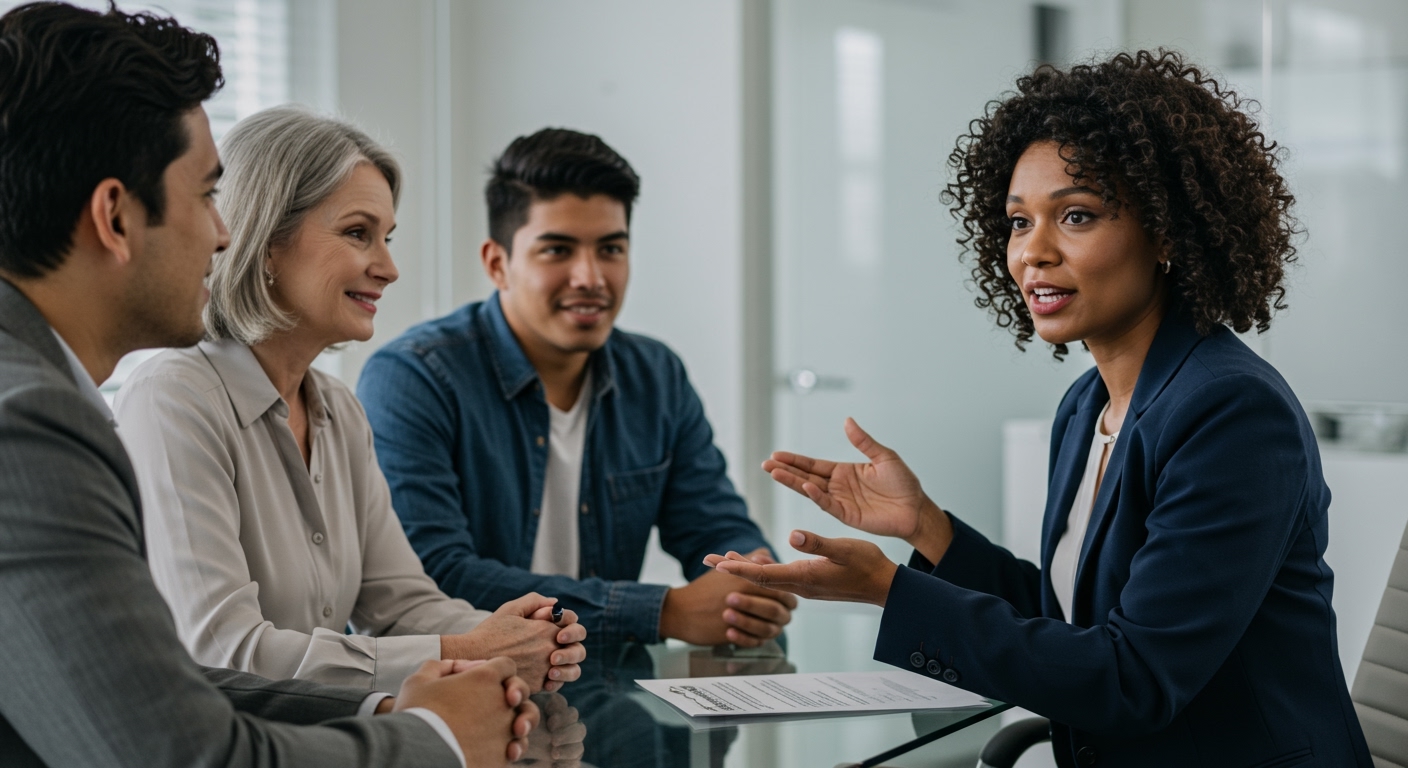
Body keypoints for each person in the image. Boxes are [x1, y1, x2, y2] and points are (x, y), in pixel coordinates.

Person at [707, 51, 1373, 767]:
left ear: (1169, 233)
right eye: (1019, 222)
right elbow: (1072, 626)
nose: (1033, 253)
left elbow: (1133, 677)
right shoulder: (1088, 405)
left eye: (1076, 216)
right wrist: (926, 529)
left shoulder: (1231, 411)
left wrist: (890, 591)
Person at [0, 3, 536, 766]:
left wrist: (401, 697)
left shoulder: (42, 395)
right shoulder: (31, 421)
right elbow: (183, 749)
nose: (222, 233)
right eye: (207, 195)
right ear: (115, 217)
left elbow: (183, 688)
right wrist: (433, 737)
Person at [114, 106, 587, 695]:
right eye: (358, 233)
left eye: (386, 238)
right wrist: (467, 651)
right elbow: (222, 650)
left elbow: (401, 604)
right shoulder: (172, 400)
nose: (388, 268)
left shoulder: (339, 409)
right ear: (266, 243)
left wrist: (517, 638)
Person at [357, 128, 796, 647]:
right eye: (558, 250)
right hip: (464, 687)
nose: (590, 277)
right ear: (498, 263)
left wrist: (751, 578)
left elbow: (713, 523)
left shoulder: (655, 375)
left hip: (604, 693)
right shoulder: (414, 377)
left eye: (611, 248)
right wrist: (660, 612)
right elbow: (434, 574)